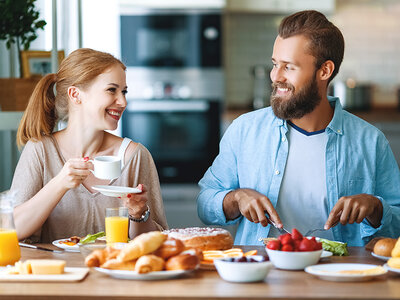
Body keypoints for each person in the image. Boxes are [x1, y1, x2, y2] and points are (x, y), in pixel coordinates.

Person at [197, 10, 400, 246]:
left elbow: (397, 221)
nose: (275, 76)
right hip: (261, 274)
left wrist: (376, 208)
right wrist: (236, 199)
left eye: (289, 67)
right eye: (275, 64)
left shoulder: (370, 141)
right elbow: (205, 203)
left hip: (340, 276)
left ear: (325, 71)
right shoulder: (244, 130)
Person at [11, 48, 168, 243]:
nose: (123, 101)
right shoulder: (40, 150)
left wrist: (138, 213)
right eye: (112, 90)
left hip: (114, 271)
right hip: (57, 272)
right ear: (75, 95)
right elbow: (13, 229)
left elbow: (156, 241)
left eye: (124, 91)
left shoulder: (134, 156)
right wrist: (60, 183)